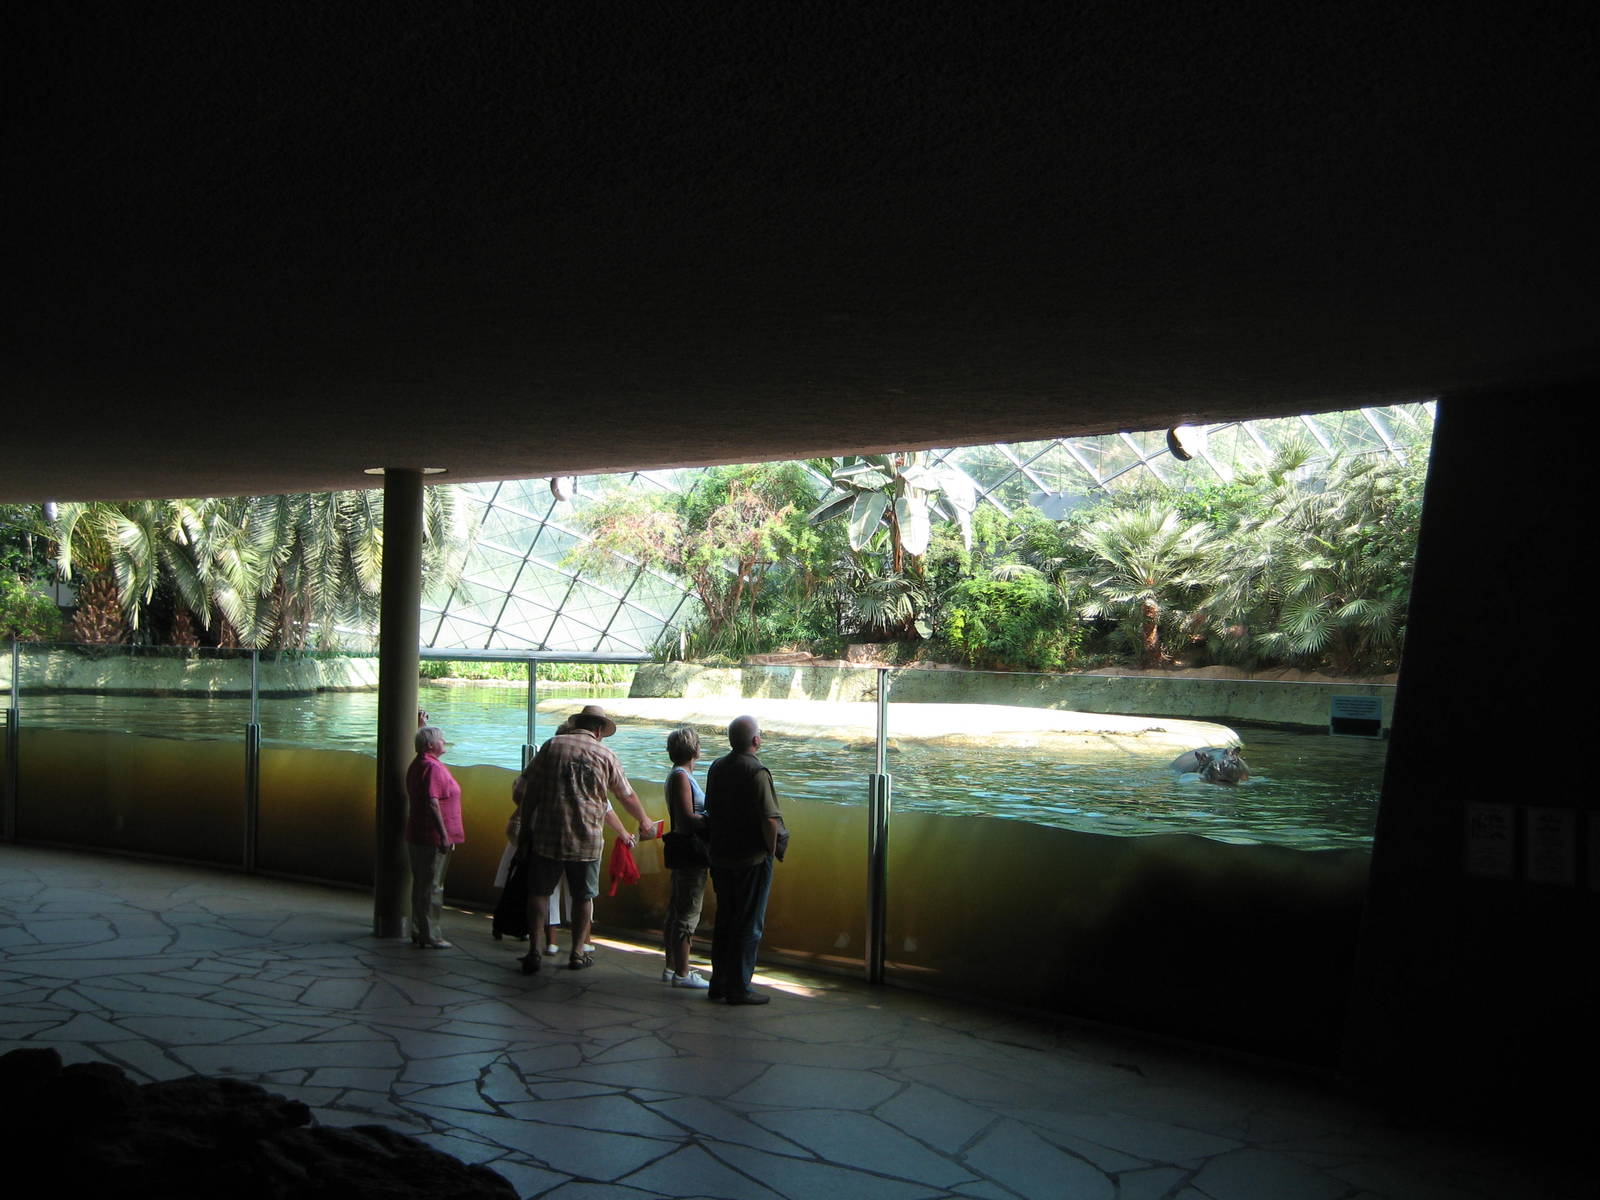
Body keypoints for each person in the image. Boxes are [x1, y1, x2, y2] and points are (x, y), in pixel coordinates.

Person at [515, 704, 656, 973]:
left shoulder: (552, 745)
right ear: (600, 730)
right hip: (587, 838)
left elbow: (528, 788)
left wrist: (525, 828)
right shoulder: (606, 755)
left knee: (539, 893)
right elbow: (625, 795)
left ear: (578, 723)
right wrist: (643, 820)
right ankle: (577, 953)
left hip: (547, 833)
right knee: (583, 896)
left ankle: (534, 950)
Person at [704, 715, 785, 1005]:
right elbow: (770, 819)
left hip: (721, 857)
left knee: (725, 920)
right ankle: (739, 988)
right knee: (749, 924)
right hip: (751, 860)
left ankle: (719, 983)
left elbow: (710, 808)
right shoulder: (757, 771)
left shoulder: (717, 766)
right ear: (756, 741)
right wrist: (771, 851)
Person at [660, 726, 711, 989]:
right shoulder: (681, 776)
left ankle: (671, 967)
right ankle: (682, 972)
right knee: (688, 911)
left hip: (684, 851)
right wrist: (715, 819)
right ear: (694, 749)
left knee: (677, 908)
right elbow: (686, 820)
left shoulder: (679, 775)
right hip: (690, 853)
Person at [405, 724, 463, 949]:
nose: (444, 741)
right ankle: (431, 934)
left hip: (418, 834)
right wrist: (444, 835)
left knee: (421, 884)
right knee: (432, 887)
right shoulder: (433, 768)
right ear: (431, 745)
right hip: (432, 838)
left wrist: (421, 723)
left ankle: (419, 930)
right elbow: (432, 801)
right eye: (441, 739)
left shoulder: (419, 763)